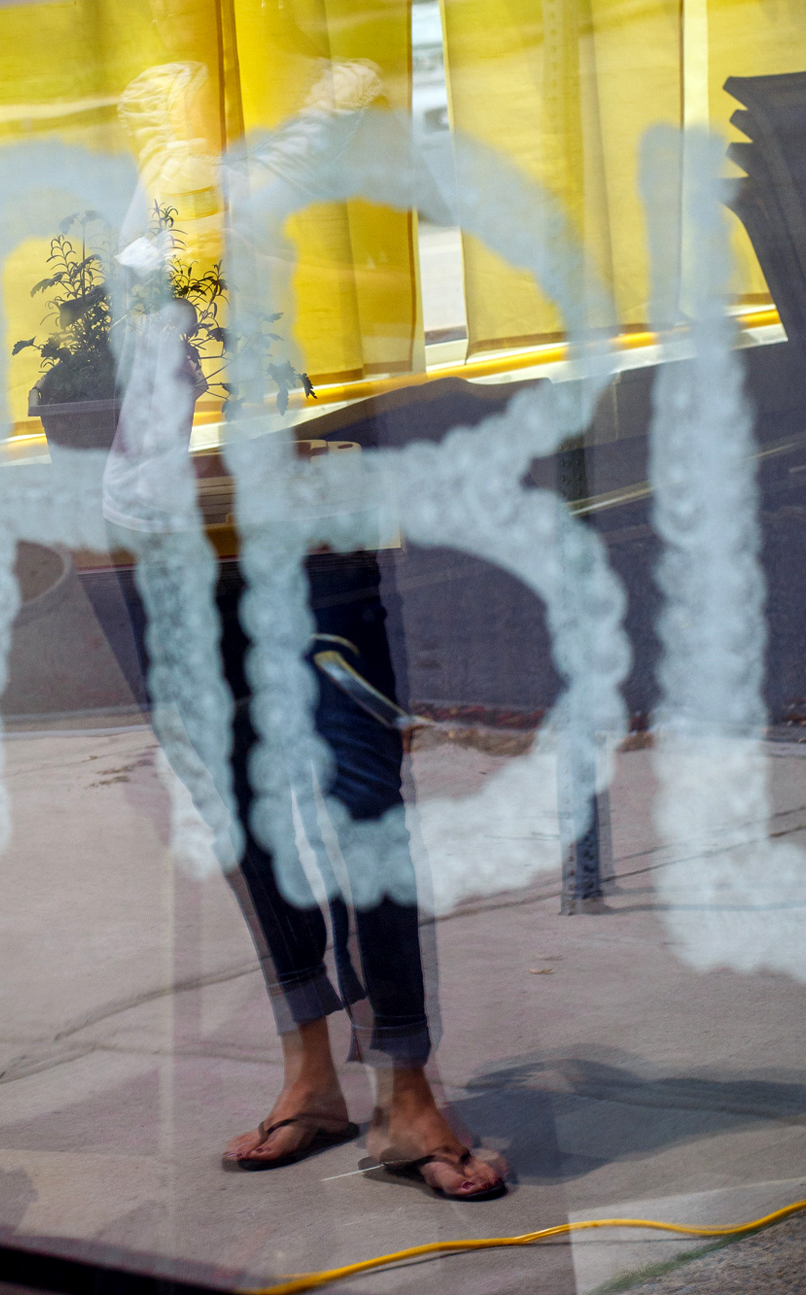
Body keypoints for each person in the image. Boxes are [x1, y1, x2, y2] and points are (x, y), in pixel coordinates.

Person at [103, 295, 507, 1201]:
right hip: (163, 532)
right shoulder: (138, 186)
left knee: (361, 808)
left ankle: (404, 1090)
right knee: (243, 813)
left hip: (316, 522)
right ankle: (310, 1078)